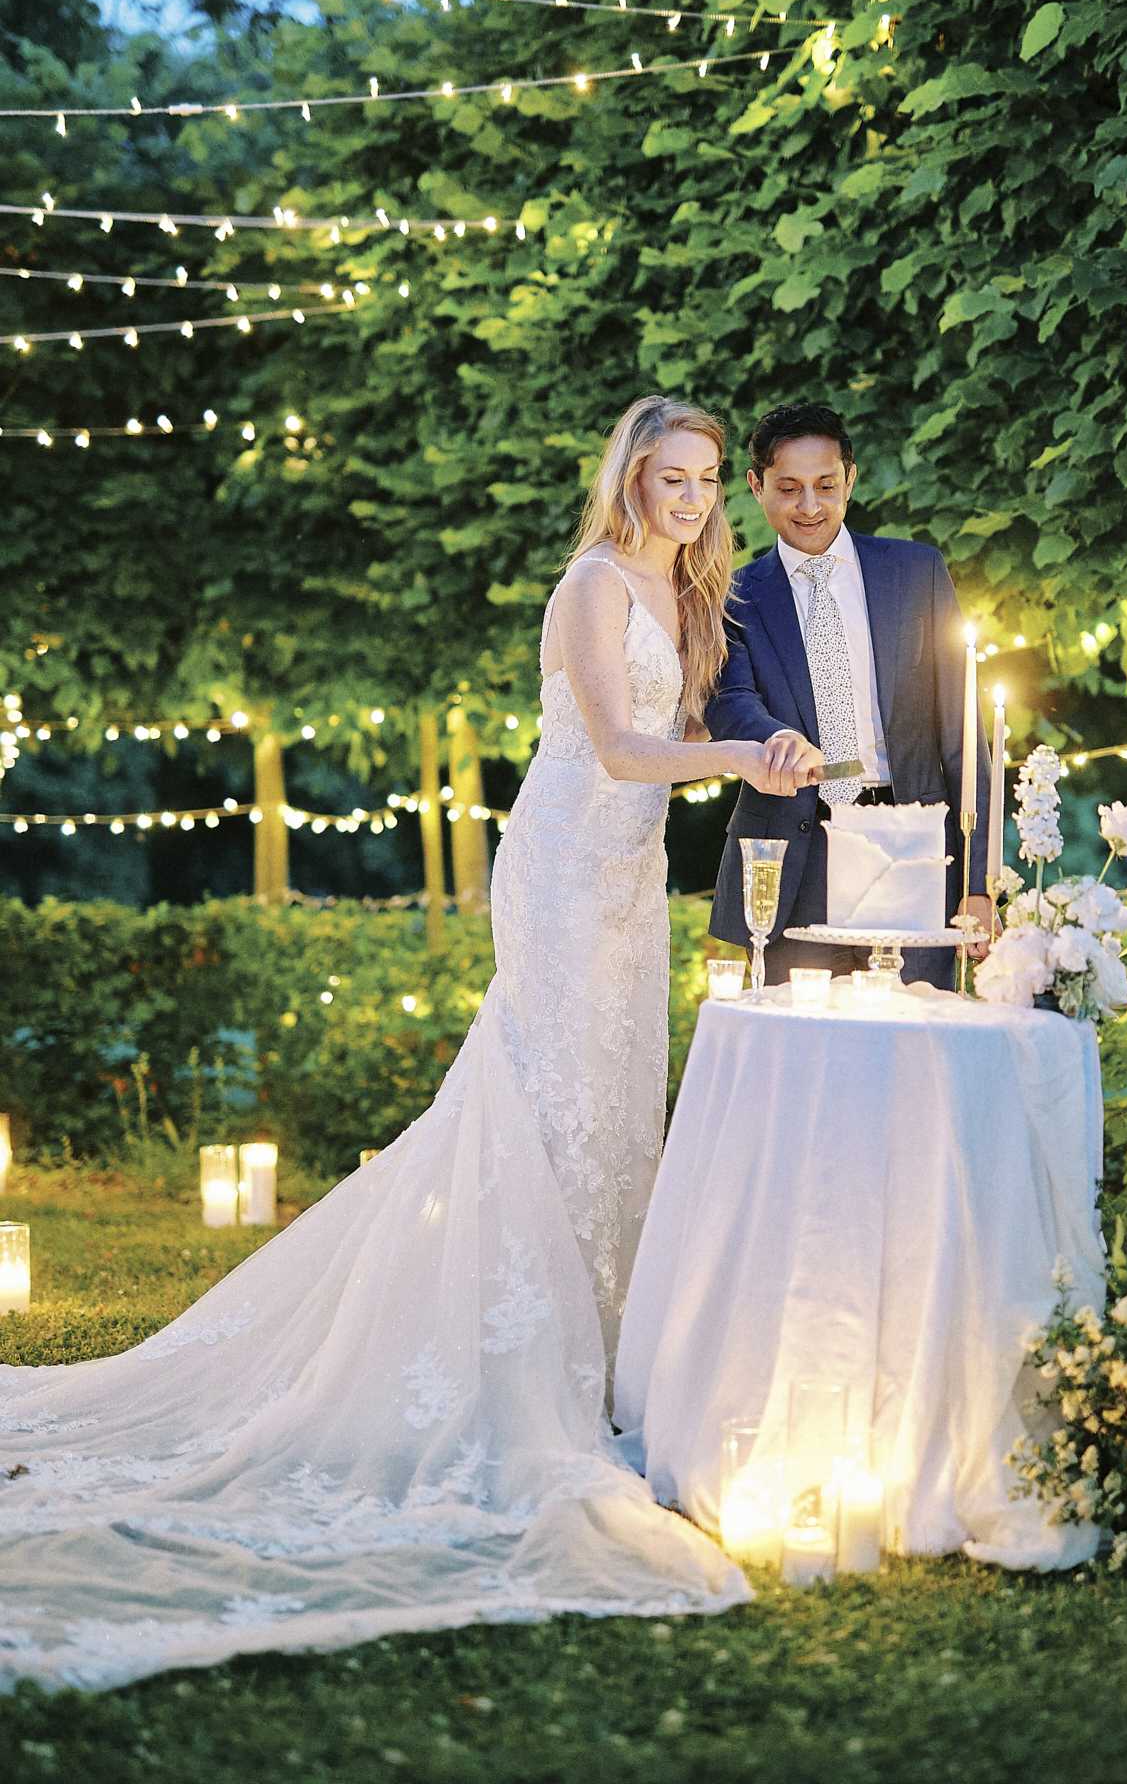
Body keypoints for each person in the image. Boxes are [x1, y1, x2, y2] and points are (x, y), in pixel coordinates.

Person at [0, 395, 792, 1695]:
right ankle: (515, 1374)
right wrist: (742, 757)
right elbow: (613, 744)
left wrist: (756, 743)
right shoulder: (594, 584)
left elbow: (678, 741)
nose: (690, 499)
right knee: (542, 1106)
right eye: (669, 477)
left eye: (706, 480)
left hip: (630, 884)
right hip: (556, 869)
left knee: (610, 1110)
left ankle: (595, 1359)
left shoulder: (695, 597)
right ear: (629, 480)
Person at [705, 401, 992, 990]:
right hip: (795, 855)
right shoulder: (732, 595)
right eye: (788, 488)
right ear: (756, 487)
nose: (809, 506)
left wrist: (979, 881)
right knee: (807, 1061)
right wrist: (776, 738)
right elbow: (729, 699)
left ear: (850, 479)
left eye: (825, 485)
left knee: (914, 1049)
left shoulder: (917, 573)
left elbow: (965, 738)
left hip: (912, 847)